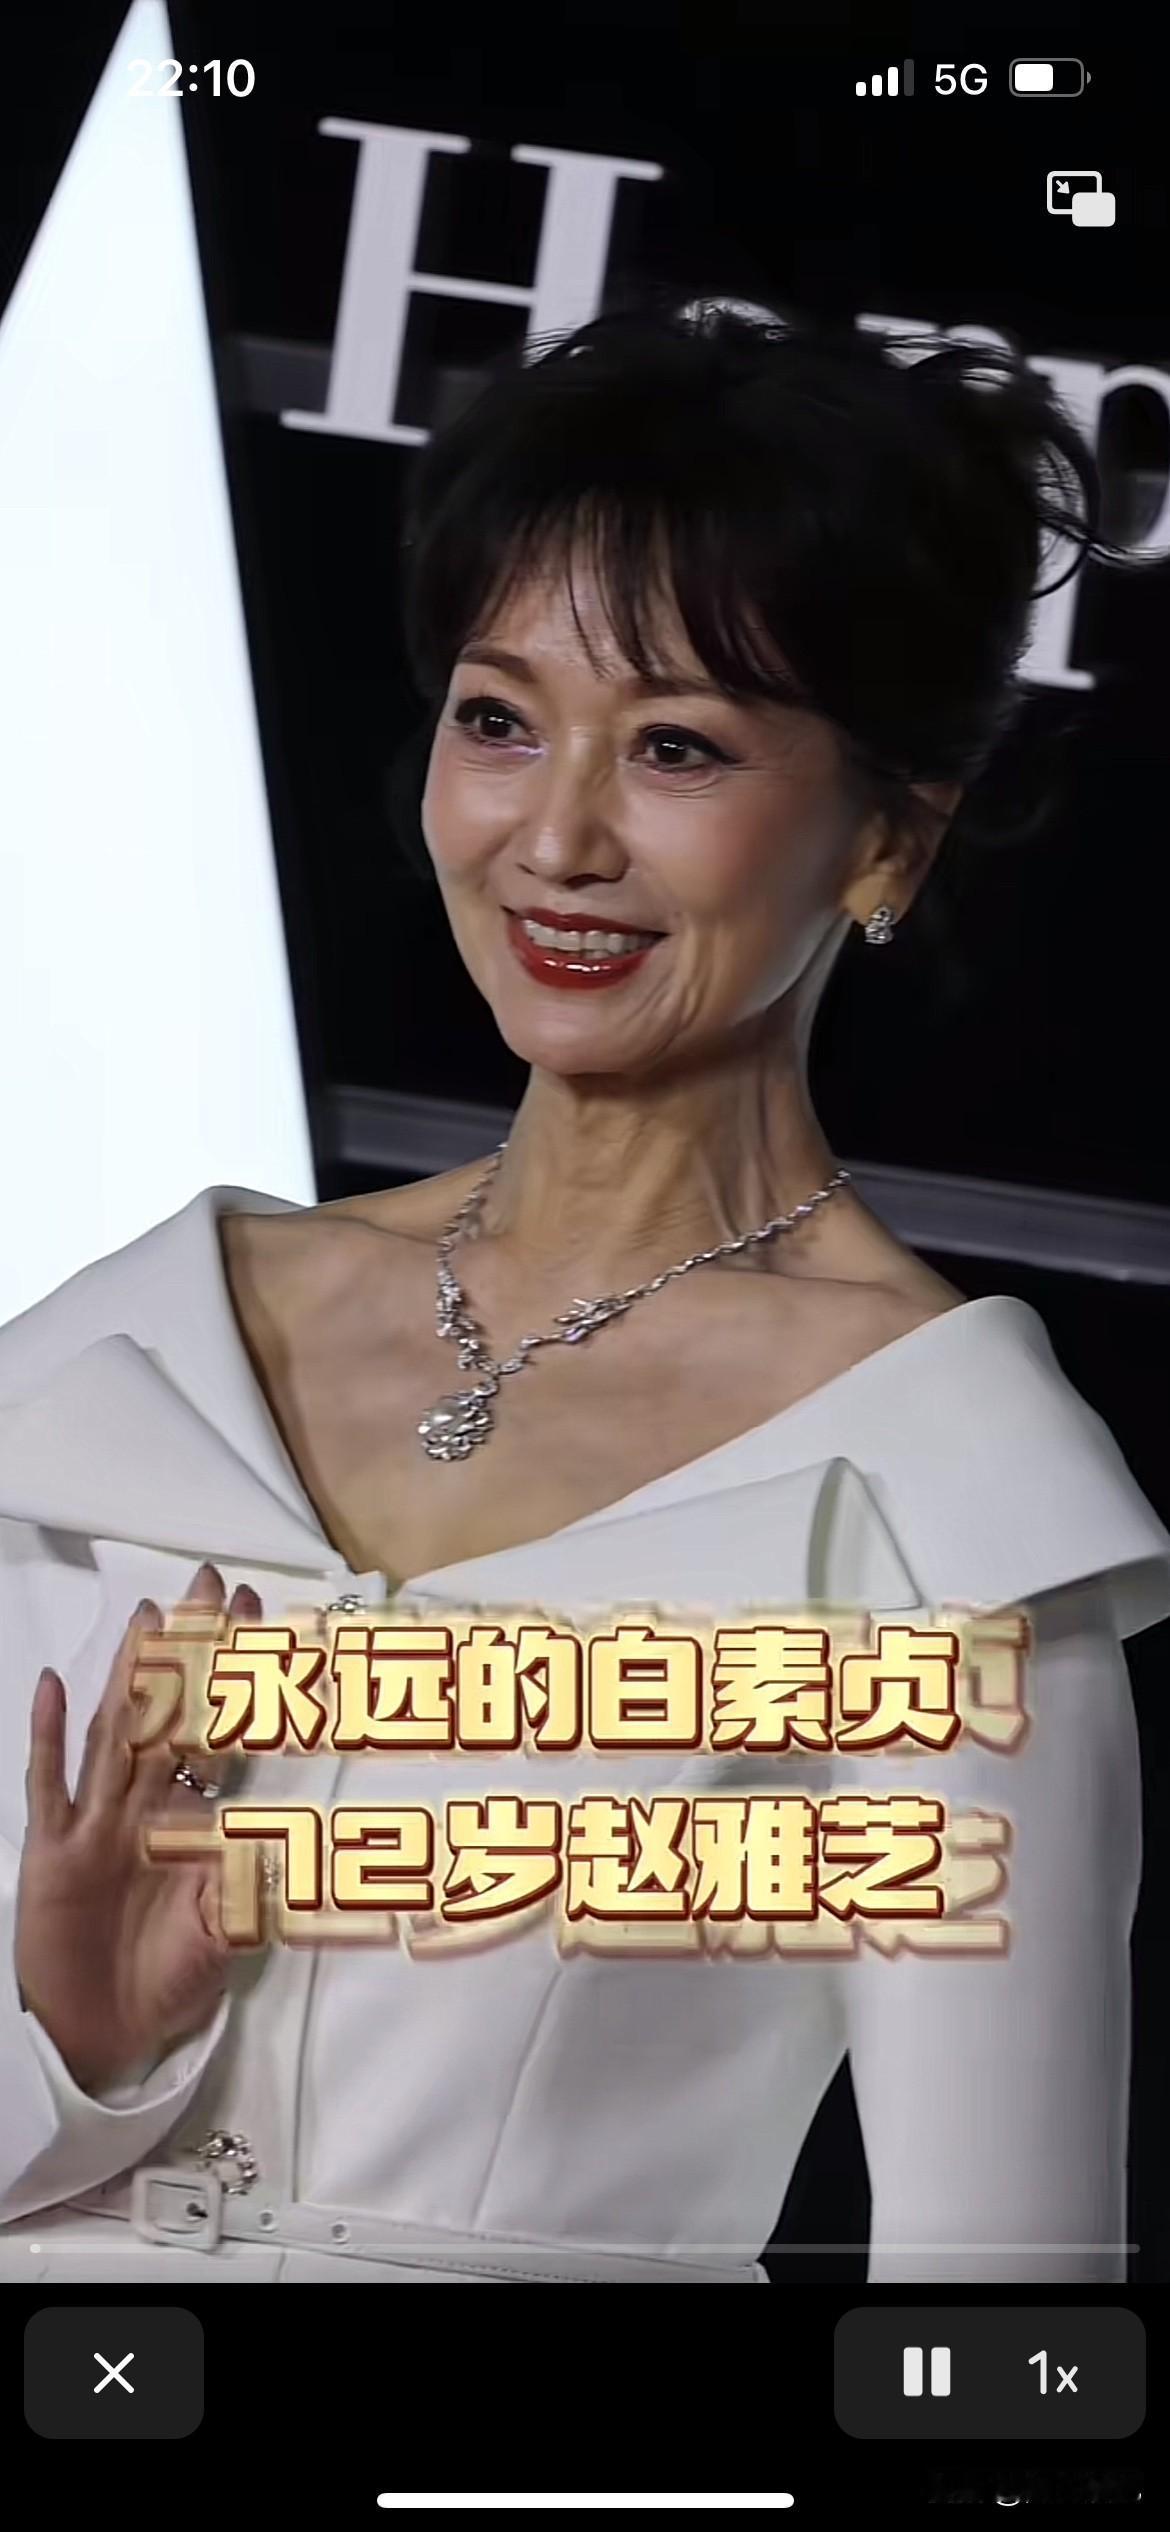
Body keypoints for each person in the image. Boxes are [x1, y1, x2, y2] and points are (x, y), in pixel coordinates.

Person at [1, 297, 1168, 2286]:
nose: (553, 837)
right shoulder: (139, 1347)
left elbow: (997, 2312)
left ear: (887, 839)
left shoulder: (938, 1508)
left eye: (678, 747)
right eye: (499, 719)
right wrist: (77, 2056)